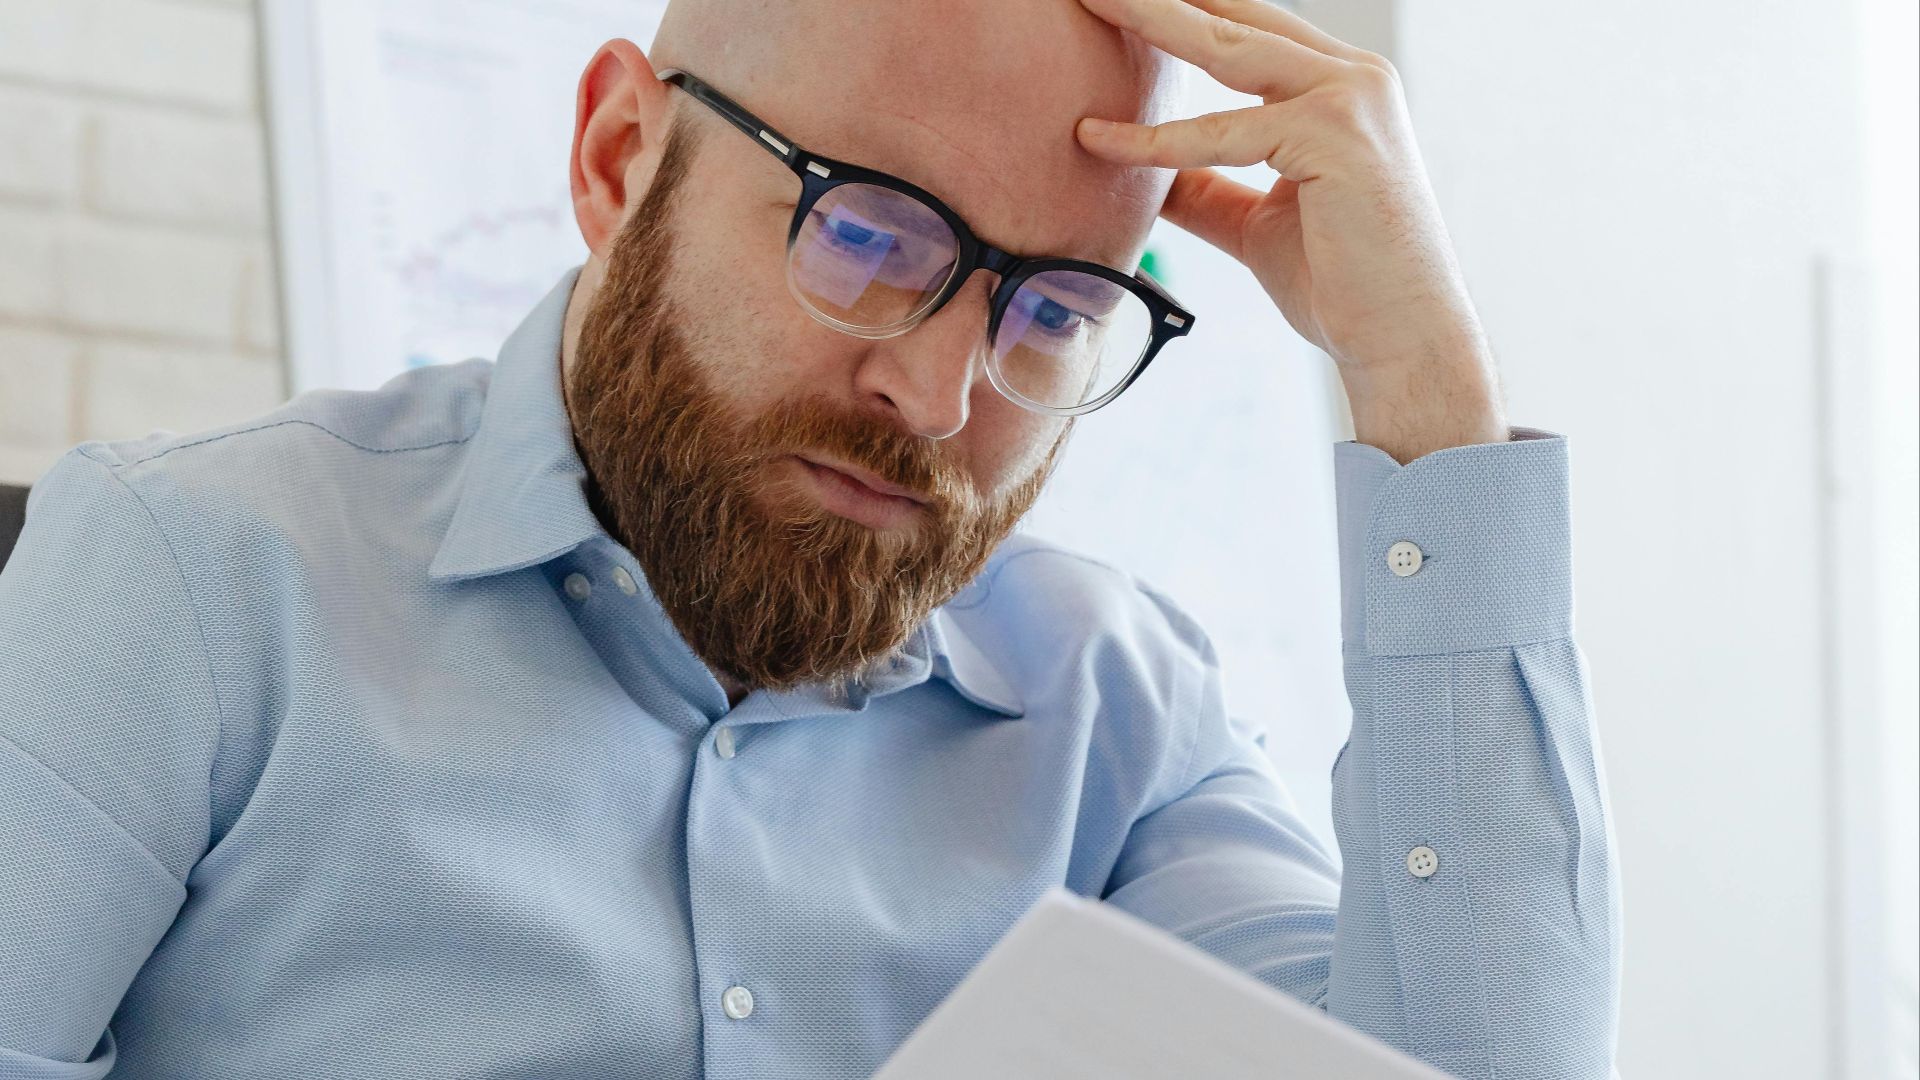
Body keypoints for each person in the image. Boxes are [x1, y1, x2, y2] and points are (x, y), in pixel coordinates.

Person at [0, 0, 1621, 1076]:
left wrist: (1425, 390)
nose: (932, 393)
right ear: (618, 159)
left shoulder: (1118, 718)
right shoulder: (190, 577)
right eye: (865, 230)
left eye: (1050, 309)